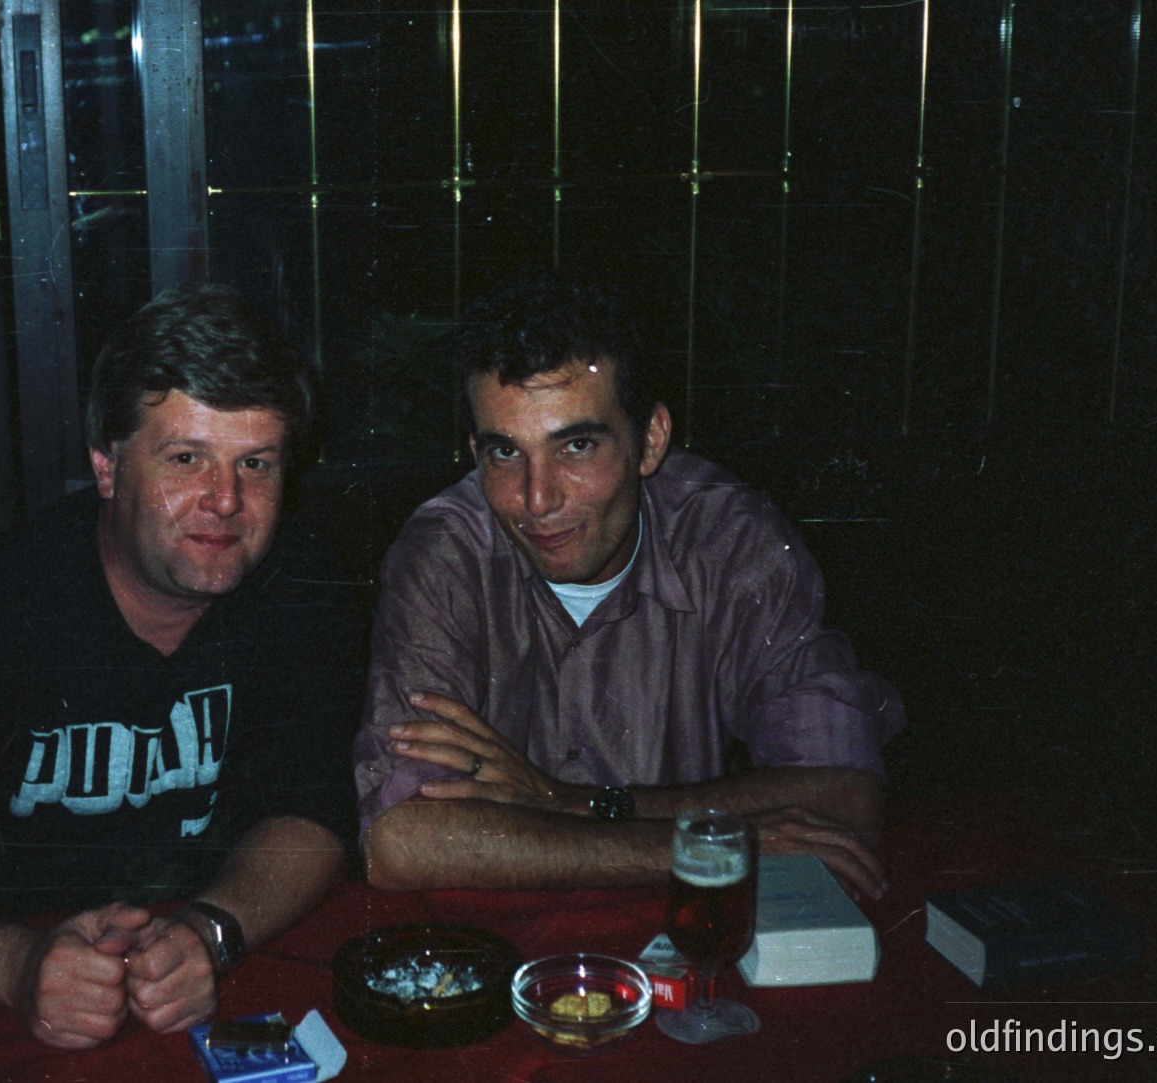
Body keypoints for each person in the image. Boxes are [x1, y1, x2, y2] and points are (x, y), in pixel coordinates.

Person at [0, 285, 363, 1051]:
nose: (225, 501)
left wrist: (210, 929)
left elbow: (315, 816)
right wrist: (16, 963)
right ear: (106, 466)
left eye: (255, 463)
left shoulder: (300, 587)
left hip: (205, 988)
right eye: (186, 458)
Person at [353, 273, 905, 899]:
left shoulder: (733, 540)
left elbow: (847, 793)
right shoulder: (445, 554)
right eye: (505, 453)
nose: (537, 498)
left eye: (577, 445)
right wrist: (695, 841)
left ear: (650, 440)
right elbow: (400, 841)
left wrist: (564, 801)